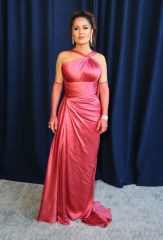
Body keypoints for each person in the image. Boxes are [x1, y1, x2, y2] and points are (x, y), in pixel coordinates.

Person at [37, 9, 112, 228]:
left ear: (92, 32)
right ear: (71, 32)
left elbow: (104, 88)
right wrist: (53, 113)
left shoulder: (100, 59)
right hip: (69, 112)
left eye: (85, 28)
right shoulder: (63, 56)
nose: (81, 32)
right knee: (67, 160)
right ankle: (64, 204)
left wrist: (105, 116)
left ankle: (83, 204)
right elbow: (57, 86)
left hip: (92, 115)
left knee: (86, 164)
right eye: (76, 28)